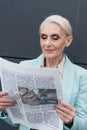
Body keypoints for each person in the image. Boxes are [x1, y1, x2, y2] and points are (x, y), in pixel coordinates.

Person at [0, 14, 87, 130]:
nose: (47, 44)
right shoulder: (24, 67)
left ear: (68, 41)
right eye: (44, 37)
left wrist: (71, 121)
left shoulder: (82, 76)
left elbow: (83, 125)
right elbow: (17, 122)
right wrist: (6, 109)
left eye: (55, 38)